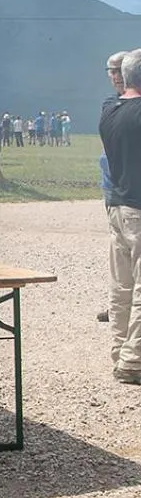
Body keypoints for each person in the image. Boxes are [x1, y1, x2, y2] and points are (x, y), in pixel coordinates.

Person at [99, 48, 141, 383]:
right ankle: (134, 360)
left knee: (121, 286)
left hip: (118, 206)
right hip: (138, 208)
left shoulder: (108, 110)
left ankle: (119, 350)